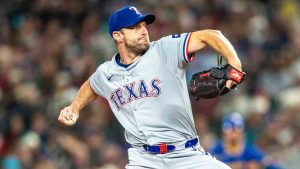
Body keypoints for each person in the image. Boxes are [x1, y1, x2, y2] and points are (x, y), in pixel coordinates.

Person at [58, 6, 243, 169]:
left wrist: (234, 61)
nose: (143, 31)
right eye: (135, 27)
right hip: (143, 159)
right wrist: (74, 107)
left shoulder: (165, 49)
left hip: (186, 155)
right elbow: (91, 85)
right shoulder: (106, 72)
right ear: (117, 35)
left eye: (144, 26)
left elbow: (211, 35)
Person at [210, 113, 283, 169]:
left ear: (243, 133)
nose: (233, 135)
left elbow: (270, 164)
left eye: (236, 131)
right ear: (224, 133)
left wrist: (259, 166)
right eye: (230, 131)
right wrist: (244, 166)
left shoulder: (251, 152)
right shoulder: (216, 151)